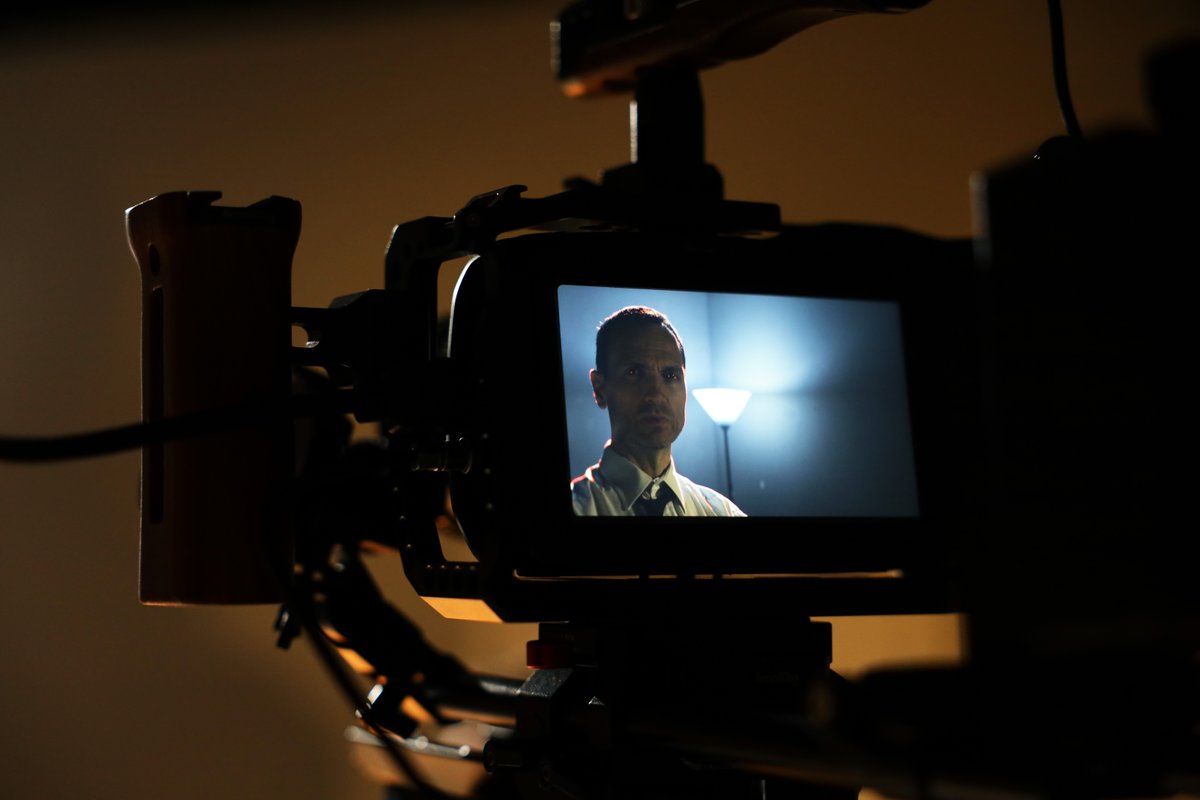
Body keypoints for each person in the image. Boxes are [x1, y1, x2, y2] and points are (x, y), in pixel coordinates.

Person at [570, 305, 746, 516]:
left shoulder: (723, 512)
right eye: (634, 372)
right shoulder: (578, 507)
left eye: (670, 375)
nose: (656, 394)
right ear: (599, 388)